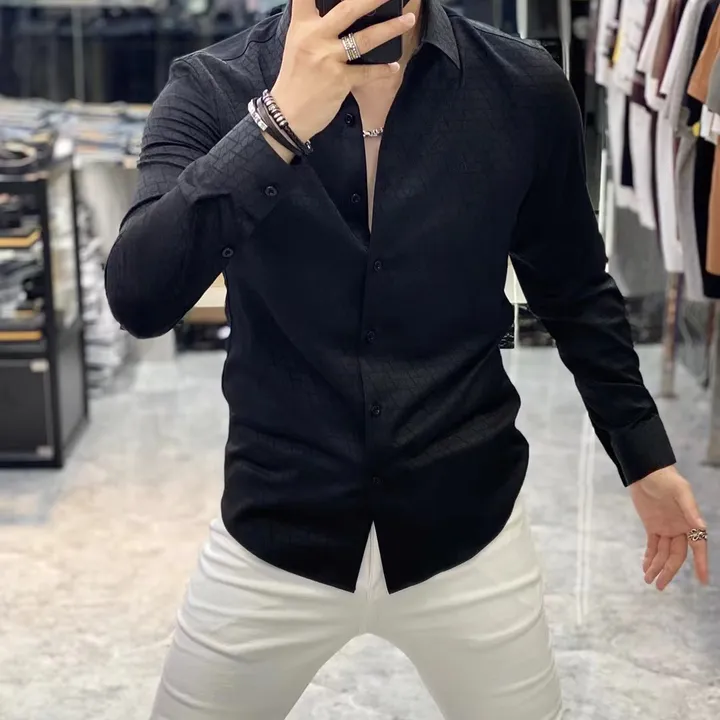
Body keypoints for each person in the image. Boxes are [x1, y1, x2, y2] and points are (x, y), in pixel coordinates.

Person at [104, 0, 710, 717]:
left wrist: (643, 456)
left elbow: (575, 290)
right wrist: (277, 122)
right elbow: (140, 297)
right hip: (275, 529)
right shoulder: (212, 85)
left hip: (468, 531)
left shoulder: (521, 86)